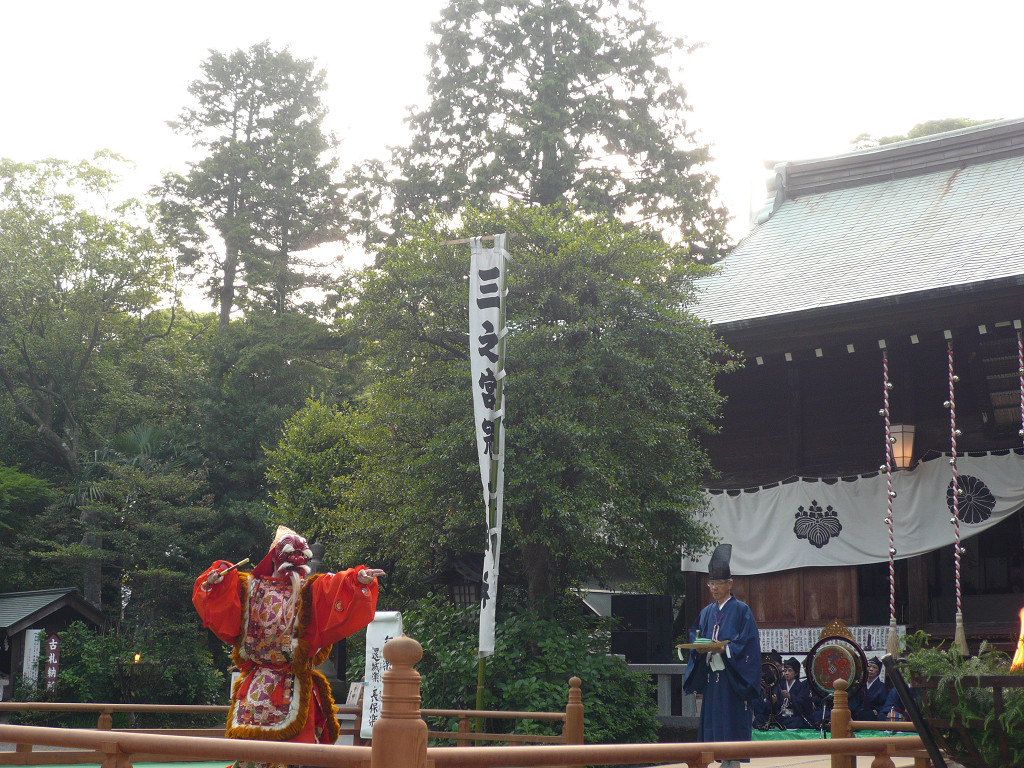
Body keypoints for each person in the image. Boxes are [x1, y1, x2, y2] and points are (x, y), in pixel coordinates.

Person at [193, 526, 384, 765]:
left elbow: (335, 585)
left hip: (272, 684)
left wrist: (356, 579)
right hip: (273, 683)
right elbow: (337, 587)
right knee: (271, 755)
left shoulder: (287, 590)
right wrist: (215, 579)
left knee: (273, 755)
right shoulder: (265, 588)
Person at [684, 544, 761, 768]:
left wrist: (725, 649)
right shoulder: (706, 612)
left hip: (731, 678)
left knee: (731, 719)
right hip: (712, 678)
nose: (714, 588)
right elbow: (696, 634)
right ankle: (714, 759)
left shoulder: (741, 610)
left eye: (718, 583)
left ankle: (732, 761)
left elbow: (748, 643)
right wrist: (699, 648)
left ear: (730, 584)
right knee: (713, 721)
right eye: (711, 583)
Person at [776, 657, 813, 729]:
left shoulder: (801, 686)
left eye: (790, 671)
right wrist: (774, 701)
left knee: (797, 721)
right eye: (785, 671)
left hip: (794, 716)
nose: (787, 673)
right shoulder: (780, 685)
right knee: (761, 719)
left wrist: (790, 696)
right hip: (782, 716)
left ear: (796, 673)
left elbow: (804, 703)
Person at [851, 656, 888, 721]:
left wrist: (872, 713)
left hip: (873, 720)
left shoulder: (882, 688)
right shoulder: (859, 685)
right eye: (869, 666)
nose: (871, 669)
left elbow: (883, 707)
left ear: (879, 671)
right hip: (857, 718)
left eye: (874, 667)